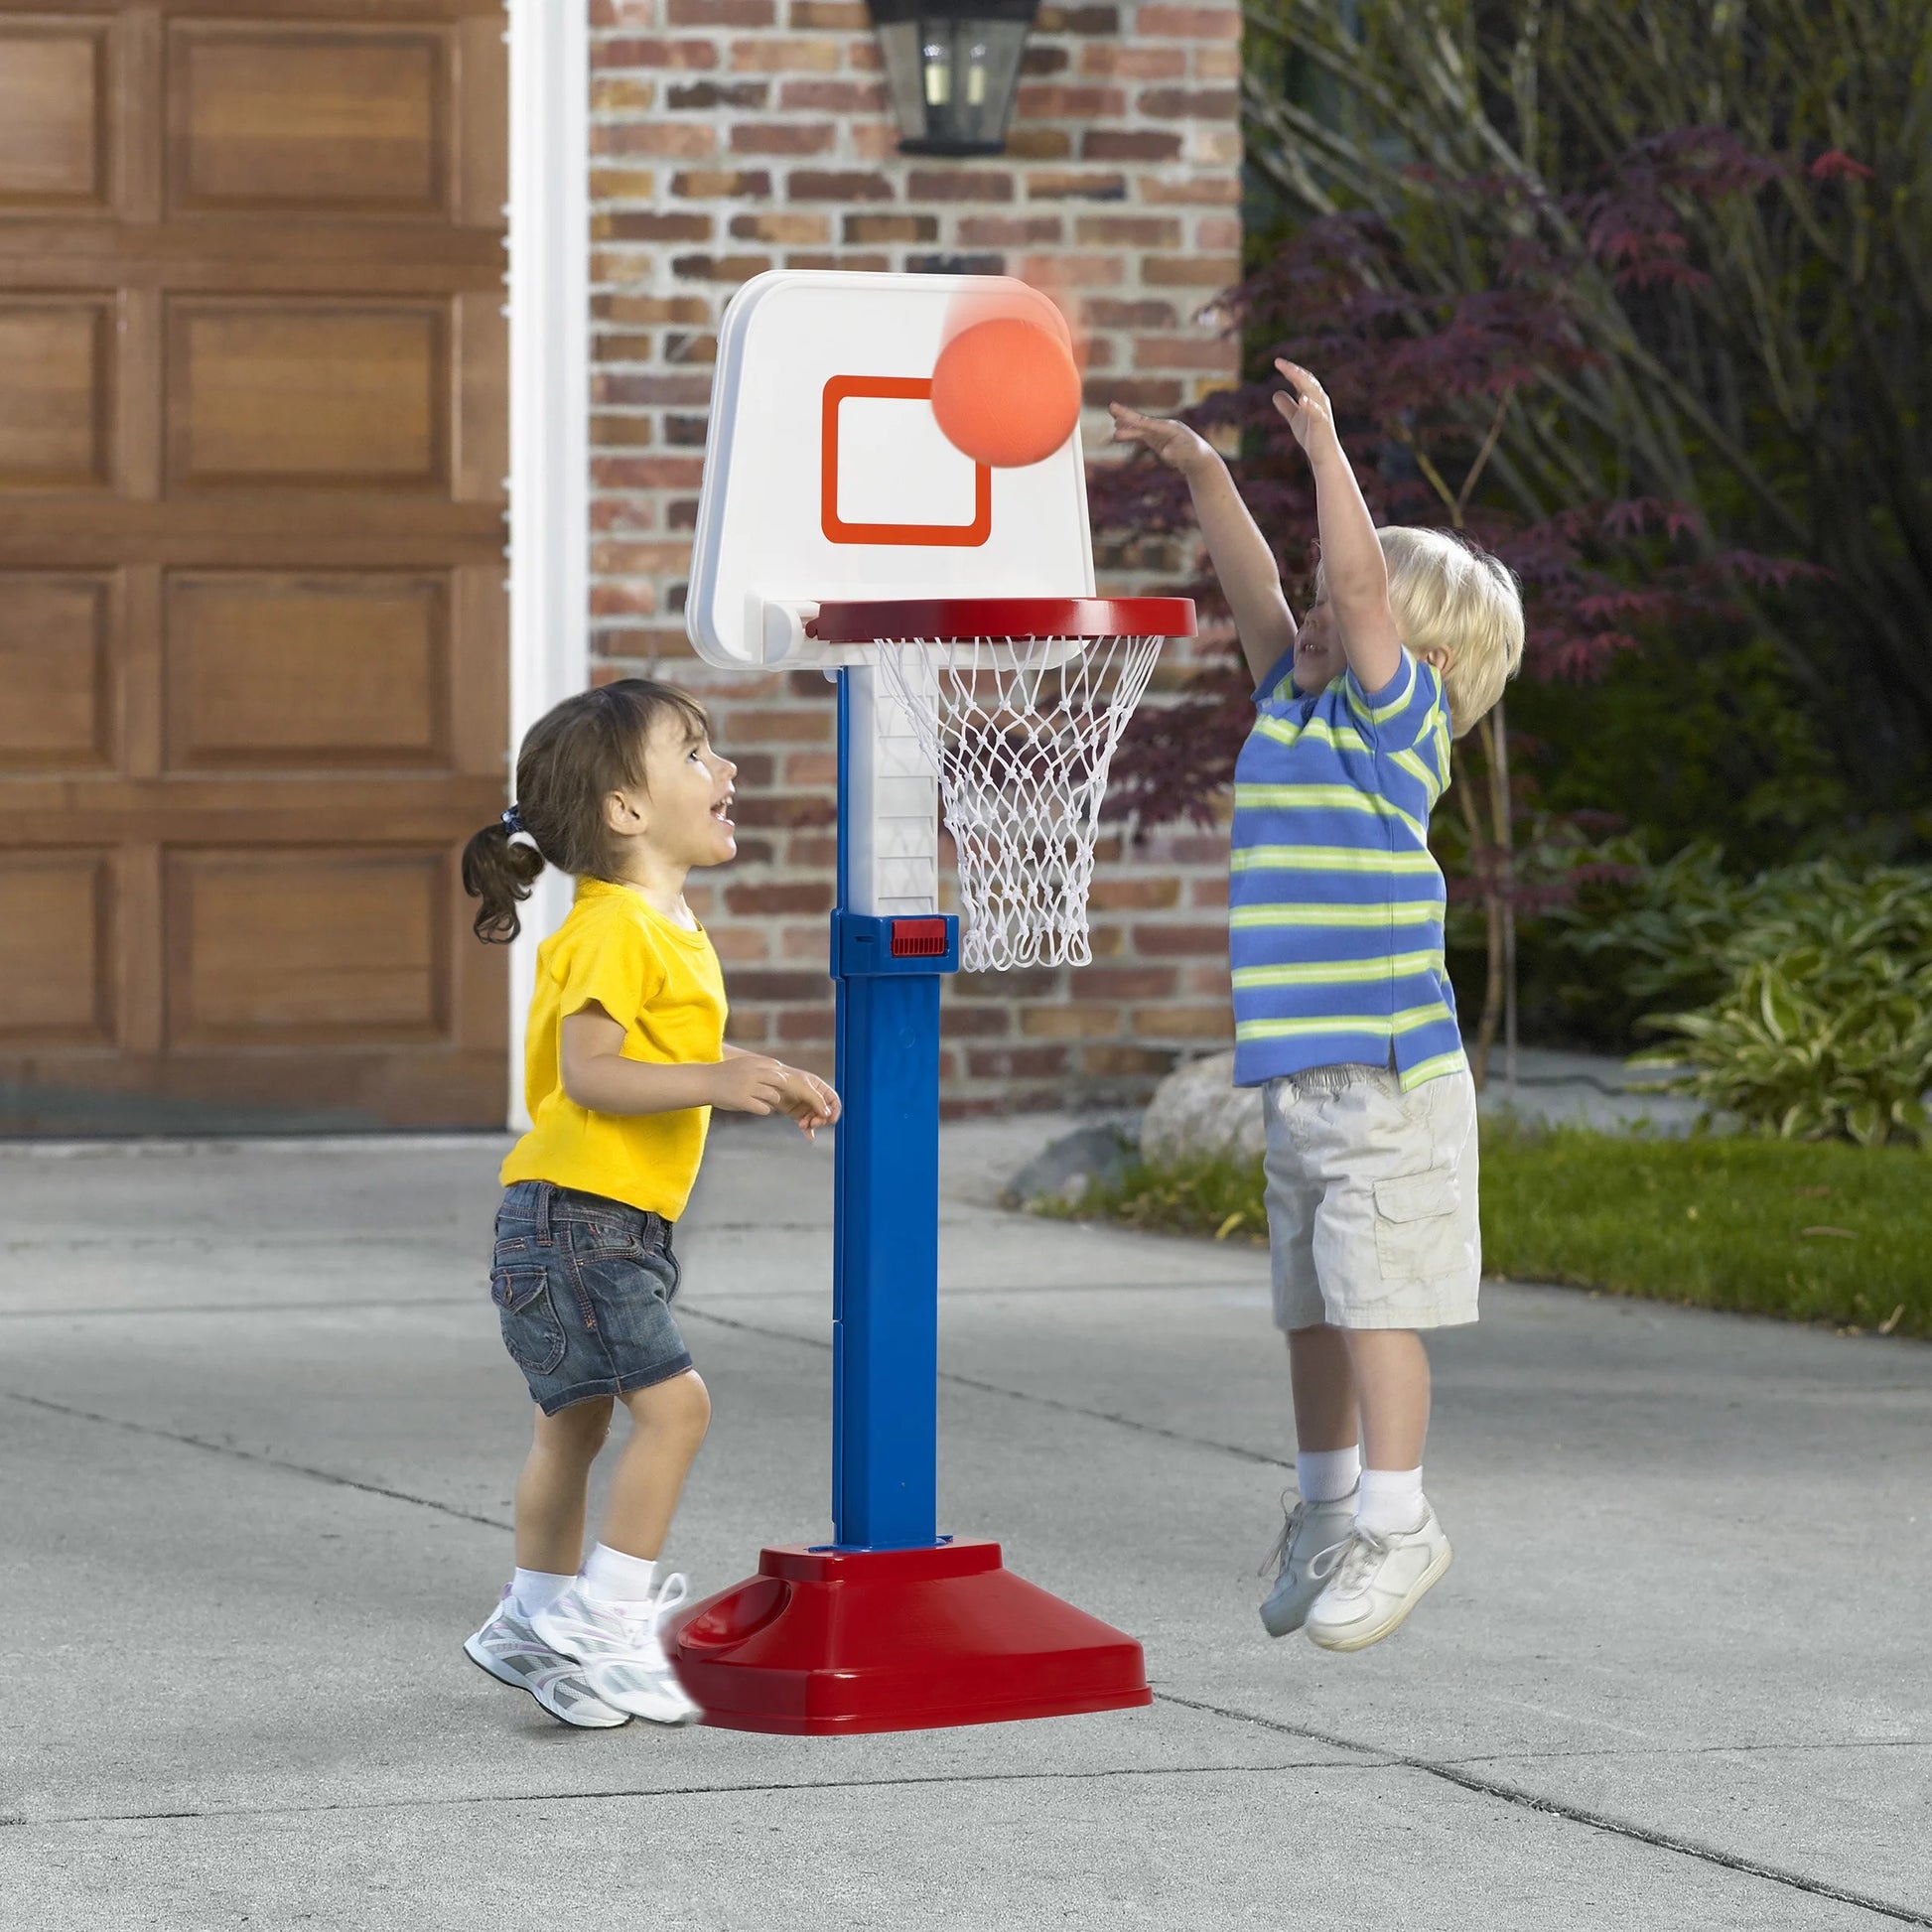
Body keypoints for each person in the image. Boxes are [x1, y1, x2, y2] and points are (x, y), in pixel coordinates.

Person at [1112, 364, 1523, 1652]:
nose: (1321, 611)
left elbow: (1351, 589)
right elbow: (1271, 595)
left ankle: (1400, 1522)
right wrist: (1205, 475)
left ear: (1420, 658)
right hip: (1304, 1082)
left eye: (1361, 613)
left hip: (1390, 1079)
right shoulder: (1290, 703)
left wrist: (1327, 442)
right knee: (1307, 1306)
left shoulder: (1394, 727)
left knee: (1371, 1302)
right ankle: (1324, 1506)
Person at [457, 678, 840, 1726]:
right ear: (625, 809)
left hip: (574, 1215)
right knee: (677, 1408)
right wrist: (722, 1077)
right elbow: (593, 1073)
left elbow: (656, 1057)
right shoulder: (619, 924)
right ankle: (610, 1617)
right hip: (584, 1216)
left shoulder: (649, 920)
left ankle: (533, 1620)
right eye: (695, 754)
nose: (726, 772)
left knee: (570, 1425)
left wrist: (754, 1071)